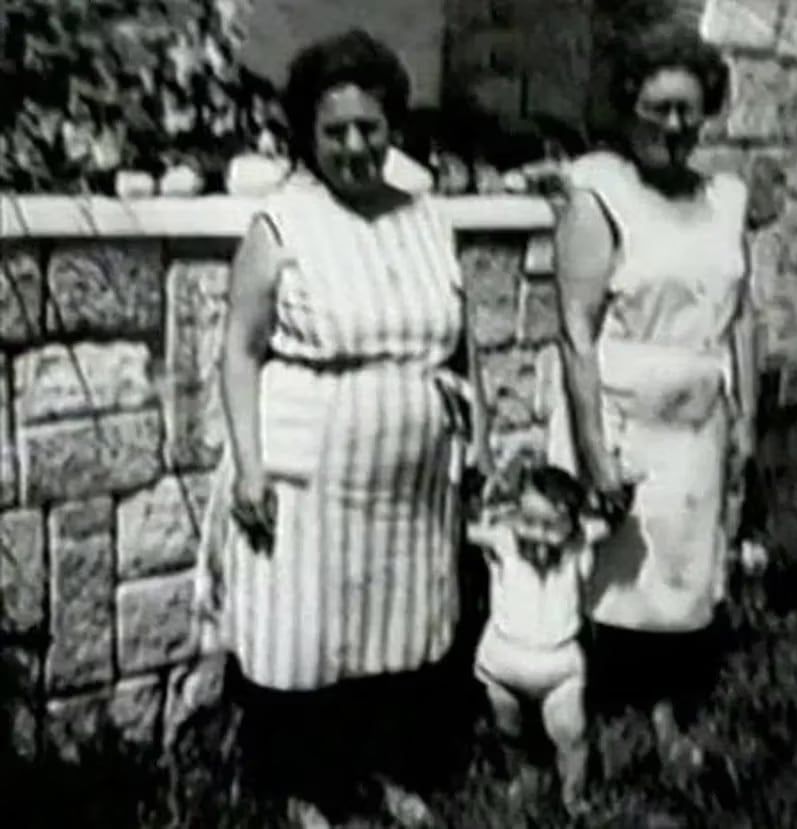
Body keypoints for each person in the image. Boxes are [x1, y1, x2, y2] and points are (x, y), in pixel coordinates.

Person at [193, 29, 490, 828]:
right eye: (335, 132)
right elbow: (239, 350)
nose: (356, 146)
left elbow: (463, 343)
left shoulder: (426, 216)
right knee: (306, 635)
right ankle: (303, 787)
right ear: (307, 135)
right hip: (309, 471)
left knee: (398, 629)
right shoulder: (282, 223)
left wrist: (479, 442)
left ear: (391, 124)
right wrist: (250, 466)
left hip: (411, 478)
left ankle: (387, 771)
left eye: (370, 127)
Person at [538, 23, 759, 771]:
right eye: (658, 108)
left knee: (681, 574)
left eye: (688, 110)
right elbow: (574, 330)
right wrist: (596, 450)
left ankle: (666, 712)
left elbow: (743, 313)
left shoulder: (726, 197)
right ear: (627, 106)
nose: (674, 125)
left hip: (698, 416)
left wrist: (747, 419)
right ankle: (584, 716)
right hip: (622, 412)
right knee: (608, 574)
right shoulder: (598, 190)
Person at [467, 453, 613, 815]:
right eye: (528, 521)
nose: (538, 534)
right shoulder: (503, 542)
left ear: (572, 525)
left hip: (559, 668)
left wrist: (608, 488)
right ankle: (522, 777)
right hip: (503, 664)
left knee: (572, 736)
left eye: (551, 526)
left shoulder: (579, 547)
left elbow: (609, 519)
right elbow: (464, 527)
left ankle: (573, 796)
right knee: (509, 730)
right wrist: (490, 494)